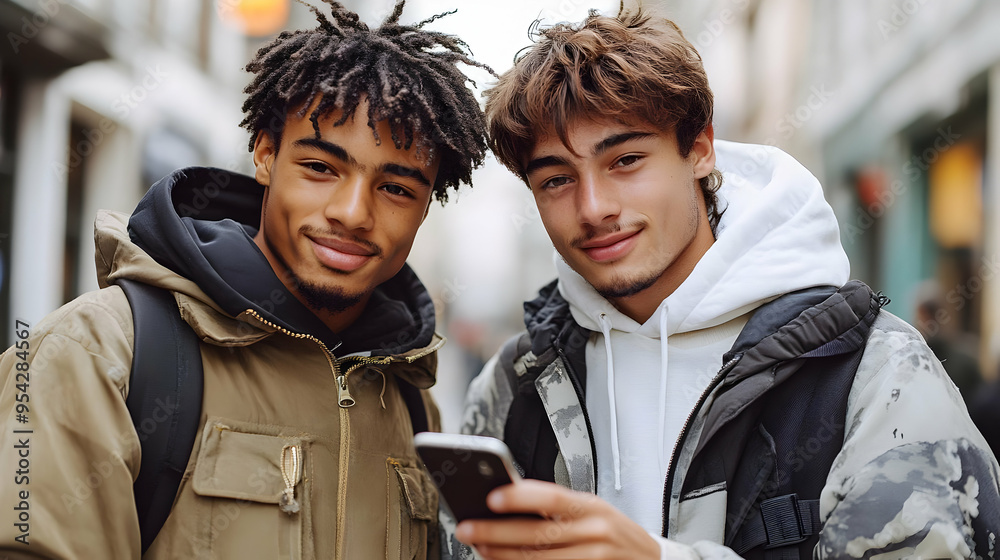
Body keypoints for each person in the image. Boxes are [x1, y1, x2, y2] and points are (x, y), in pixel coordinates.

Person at [441, 5, 1000, 559]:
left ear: (701, 149)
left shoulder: (873, 371)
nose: (594, 208)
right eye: (557, 179)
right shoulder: (517, 385)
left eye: (626, 160)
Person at [0, 1, 488, 558]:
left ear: (426, 208)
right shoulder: (99, 352)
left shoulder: (410, 400)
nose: (353, 213)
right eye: (321, 168)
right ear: (264, 155)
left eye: (397, 189)